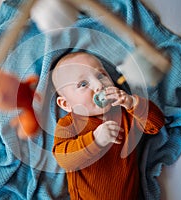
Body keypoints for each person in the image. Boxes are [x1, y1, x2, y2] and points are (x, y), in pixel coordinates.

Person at [51, 51, 165, 200]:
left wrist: (132, 103)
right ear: (66, 104)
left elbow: (156, 124)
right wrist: (95, 140)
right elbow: (64, 159)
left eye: (101, 76)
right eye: (83, 84)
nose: (99, 85)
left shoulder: (124, 112)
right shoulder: (69, 124)